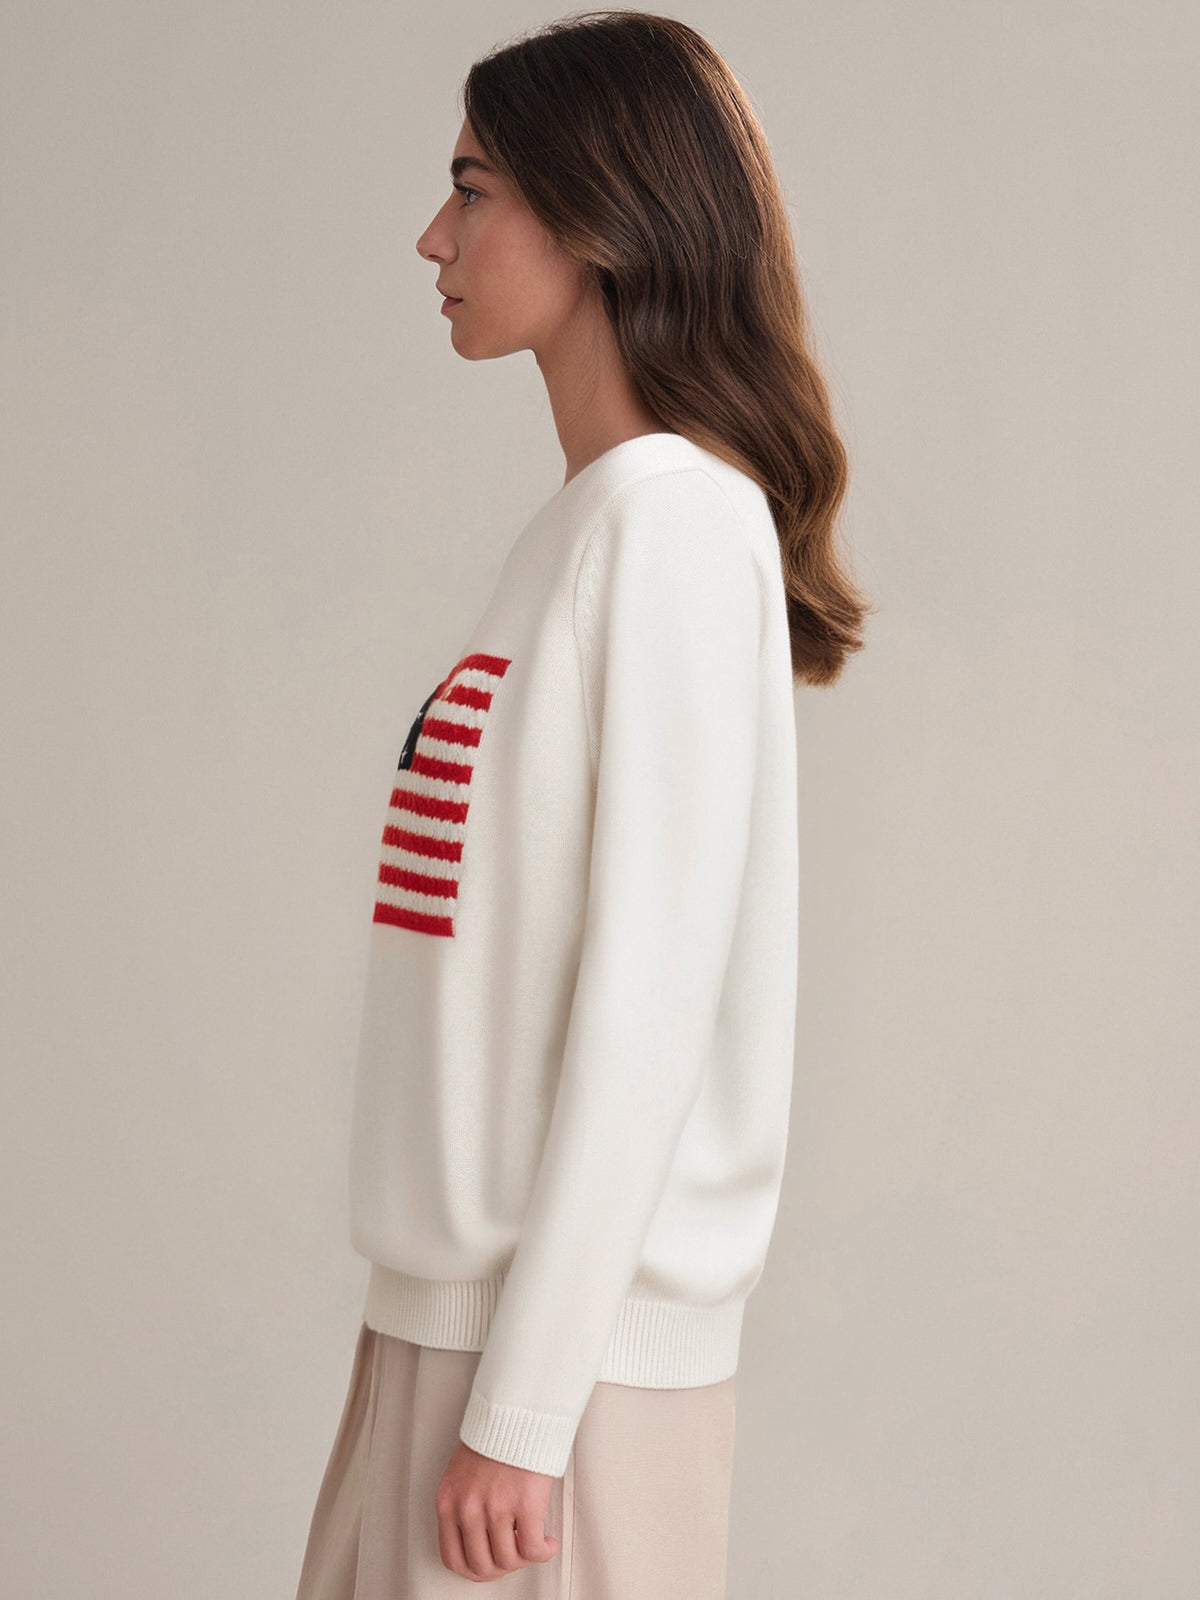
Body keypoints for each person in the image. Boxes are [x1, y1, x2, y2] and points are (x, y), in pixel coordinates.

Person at [294, 10, 870, 1596]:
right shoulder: (585, 528)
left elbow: (652, 1002)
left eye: (472, 187)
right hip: (449, 1337)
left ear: (600, 213)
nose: (435, 233)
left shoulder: (676, 524)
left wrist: (531, 1402)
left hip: (554, 1388)